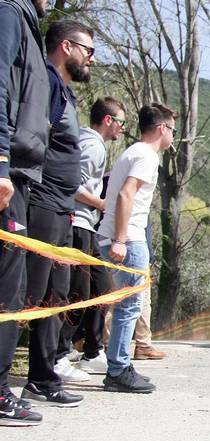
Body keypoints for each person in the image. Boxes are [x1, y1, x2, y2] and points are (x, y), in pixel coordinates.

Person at [20, 20, 95, 408]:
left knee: (57, 296)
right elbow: (34, 140)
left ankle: (42, 377)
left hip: (65, 209)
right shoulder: (46, 82)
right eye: (88, 50)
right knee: (30, 295)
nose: (92, 59)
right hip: (43, 203)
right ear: (66, 46)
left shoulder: (65, 91)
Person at [97, 102, 176, 393]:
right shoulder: (146, 155)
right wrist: (120, 239)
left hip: (122, 237)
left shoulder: (135, 152)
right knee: (129, 306)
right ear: (162, 128)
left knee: (126, 306)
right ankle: (118, 370)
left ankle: (120, 366)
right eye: (172, 129)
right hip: (128, 239)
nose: (173, 136)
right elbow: (125, 195)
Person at [0, 0, 49, 426]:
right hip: (8, 171)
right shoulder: (9, 14)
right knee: (7, 290)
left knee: (11, 288)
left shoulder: (26, 25)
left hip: (19, 173)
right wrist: (1, 162)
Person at [57, 97, 125, 375]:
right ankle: (59, 354)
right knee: (78, 292)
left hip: (88, 226)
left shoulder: (95, 145)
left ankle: (93, 351)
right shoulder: (92, 146)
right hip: (77, 224)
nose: (122, 128)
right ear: (108, 120)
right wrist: (101, 203)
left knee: (103, 288)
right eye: (121, 122)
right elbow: (72, 184)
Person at [132, 222, 166, 360]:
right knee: (117, 298)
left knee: (144, 300)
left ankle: (143, 346)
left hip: (138, 249)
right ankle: (142, 345)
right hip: (129, 247)